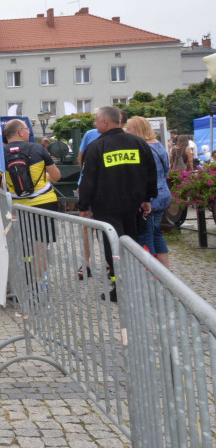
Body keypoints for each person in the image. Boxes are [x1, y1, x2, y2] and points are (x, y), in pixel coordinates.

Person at [77, 106, 157, 303]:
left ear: (105, 122)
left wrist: (83, 207)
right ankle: (132, 284)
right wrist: (147, 198)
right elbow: (150, 173)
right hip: (133, 206)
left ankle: (119, 288)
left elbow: (88, 180)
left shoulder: (96, 147)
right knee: (131, 245)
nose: (94, 124)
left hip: (106, 206)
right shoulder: (138, 143)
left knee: (112, 248)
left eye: (96, 120)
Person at [0, 119, 61, 290]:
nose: (29, 132)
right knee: (41, 246)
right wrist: (42, 178)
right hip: (44, 203)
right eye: (26, 129)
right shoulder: (38, 149)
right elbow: (56, 176)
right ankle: (40, 283)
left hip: (17, 206)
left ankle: (23, 280)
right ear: (20, 132)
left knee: (22, 244)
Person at [125, 117, 172, 269]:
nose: (126, 131)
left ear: (137, 129)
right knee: (157, 233)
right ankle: (166, 272)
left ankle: (151, 273)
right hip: (163, 193)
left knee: (146, 235)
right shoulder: (158, 145)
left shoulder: (142, 148)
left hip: (150, 197)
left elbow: (142, 176)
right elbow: (166, 170)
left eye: (129, 128)